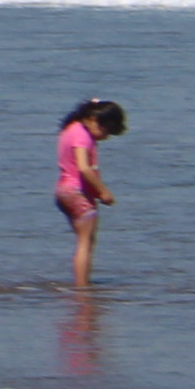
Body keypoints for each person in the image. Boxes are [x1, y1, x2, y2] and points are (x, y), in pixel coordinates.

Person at [56, 98, 126, 286]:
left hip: (63, 190)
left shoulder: (71, 128)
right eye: (105, 131)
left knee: (85, 240)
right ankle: (82, 287)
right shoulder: (82, 136)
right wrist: (103, 192)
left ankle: (83, 283)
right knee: (85, 243)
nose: (105, 136)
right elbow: (84, 169)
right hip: (76, 193)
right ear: (93, 120)